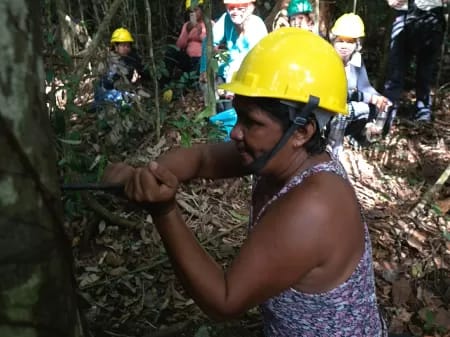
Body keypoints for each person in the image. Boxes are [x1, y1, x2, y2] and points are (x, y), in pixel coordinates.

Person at [103, 28, 387, 336]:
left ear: (302, 131)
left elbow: (225, 300)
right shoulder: (278, 156)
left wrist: (163, 210)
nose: (236, 132)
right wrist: (143, 175)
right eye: (238, 116)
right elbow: (201, 160)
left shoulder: (315, 206)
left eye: (251, 122)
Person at [327, 13, 391, 155]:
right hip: (326, 110)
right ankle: (332, 151)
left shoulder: (356, 61)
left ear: (357, 44)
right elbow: (339, 93)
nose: (344, 46)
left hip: (346, 109)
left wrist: (379, 100)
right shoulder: (327, 58)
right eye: (340, 40)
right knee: (345, 111)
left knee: (369, 109)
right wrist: (370, 98)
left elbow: (365, 86)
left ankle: (364, 137)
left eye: (350, 42)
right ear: (333, 40)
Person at [383, 0, 446, 128]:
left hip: (432, 15)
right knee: (395, 70)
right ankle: (386, 114)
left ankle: (423, 113)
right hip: (403, 13)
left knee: (425, 71)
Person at [199, 0, 268, 87]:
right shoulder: (226, 19)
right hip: (231, 61)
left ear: (250, 8)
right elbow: (208, 41)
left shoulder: (256, 25)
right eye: (231, 8)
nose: (235, 12)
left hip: (249, 72)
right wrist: (204, 69)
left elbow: (255, 59)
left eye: (240, 8)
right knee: (216, 59)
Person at [160, 0, 211, 90]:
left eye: (196, 10)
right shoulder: (187, 25)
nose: (193, 13)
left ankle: (190, 85)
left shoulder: (209, 24)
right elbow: (179, 45)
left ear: (202, 10)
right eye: (191, 11)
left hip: (201, 60)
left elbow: (210, 44)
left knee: (198, 69)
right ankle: (164, 85)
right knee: (170, 51)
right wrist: (187, 30)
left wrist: (200, 32)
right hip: (187, 59)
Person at [95, 28, 148, 109]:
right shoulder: (106, 59)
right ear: (115, 46)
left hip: (123, 92)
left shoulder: (130, 58)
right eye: (123, 45)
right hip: (107, 95)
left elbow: (144, 73)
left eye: (128, 46)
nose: (126, 48)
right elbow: (101, 82)